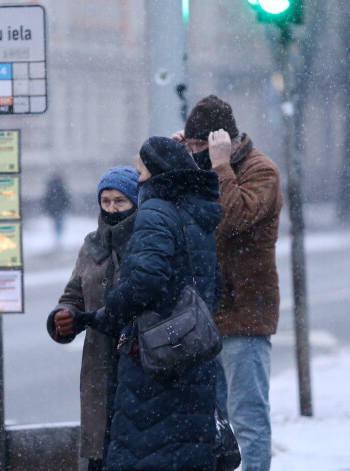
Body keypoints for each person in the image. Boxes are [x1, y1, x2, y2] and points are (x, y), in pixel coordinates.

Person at [90, 137, 222, 470]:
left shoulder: (156, 211)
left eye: (140, 170)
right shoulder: (196, 211)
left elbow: (146, 280)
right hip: (195, 351)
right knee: (187, 451)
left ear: (155, 173)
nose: (137, 178)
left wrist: (112, 311)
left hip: (155, 356)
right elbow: (214, 284)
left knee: (142, 452)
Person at [173, 94, 283, 471]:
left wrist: (219, 165)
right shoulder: (203, 167)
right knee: (211, 420)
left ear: (225, 140)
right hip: (206, 315)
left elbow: (231, 217)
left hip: (246, 315)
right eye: (193, 146)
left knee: (247, 418)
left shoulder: (261, 171)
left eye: (201, 146)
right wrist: (174, 161)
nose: (198, 154)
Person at [46, 166, 140, 471]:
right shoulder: (91, 245)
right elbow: (73, 293)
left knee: (134, 446)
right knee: (101, 450)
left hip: (138, 358)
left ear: (136, 202)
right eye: (106, 201)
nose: (112, 208)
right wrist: (66, 315)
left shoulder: (146, 241)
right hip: (99, 361)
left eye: (120, 201)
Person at [42, 174, 71, 249]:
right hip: (59, 209)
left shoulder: (50, 187)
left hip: (54, 209)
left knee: (56, 223)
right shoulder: (61, 187)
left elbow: (47, 199)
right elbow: (65, 198)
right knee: (59, 223)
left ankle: (57, 237)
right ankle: (58, 237)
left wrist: (47, 208)